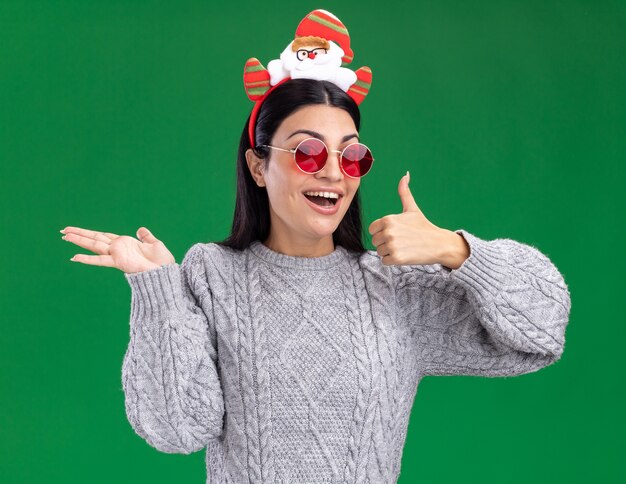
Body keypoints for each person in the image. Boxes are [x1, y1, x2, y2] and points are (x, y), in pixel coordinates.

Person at [60, 9, 572, 484]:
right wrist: (158, 291)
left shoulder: (393, 289)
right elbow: (177, 430)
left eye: (351, 156)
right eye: (307, 151)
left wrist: (457, 251)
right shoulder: (210, 274)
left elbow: (542, 332)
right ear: (259, 166)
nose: (332, 170)